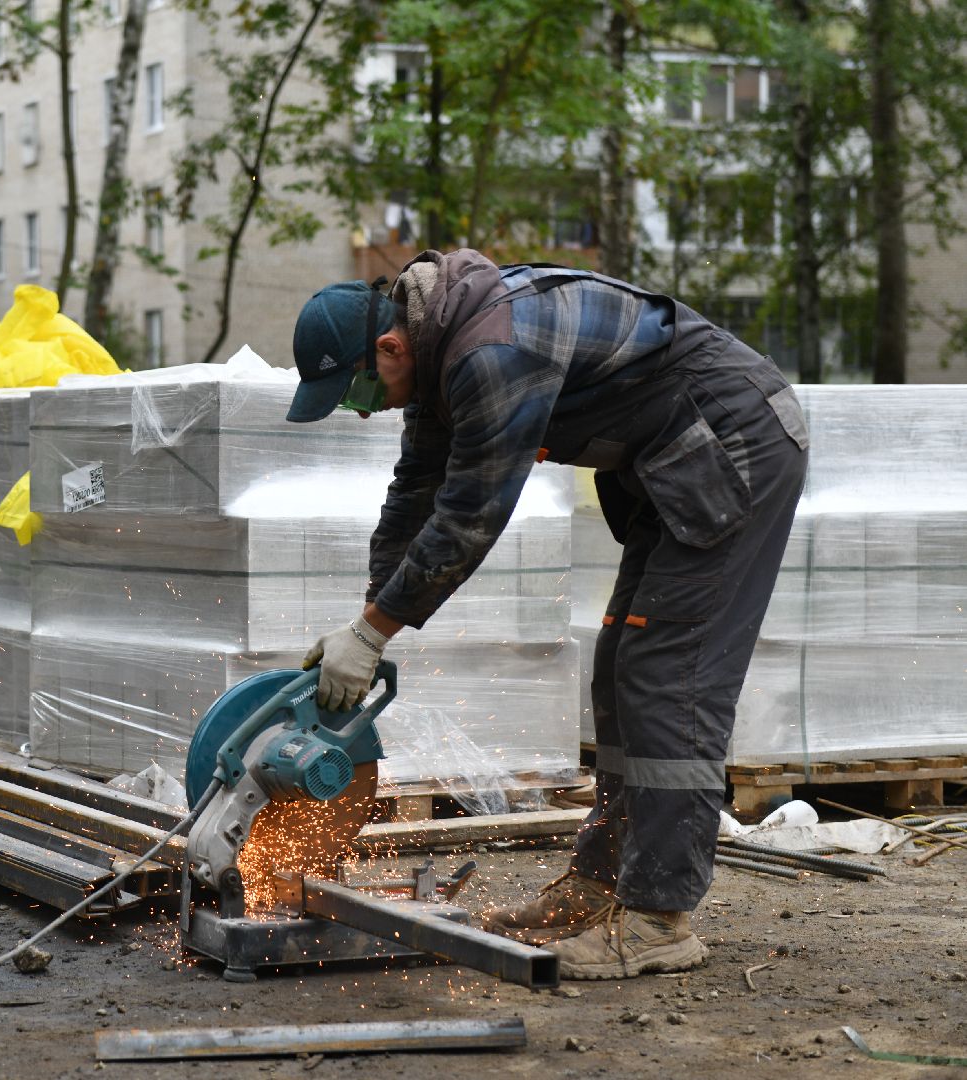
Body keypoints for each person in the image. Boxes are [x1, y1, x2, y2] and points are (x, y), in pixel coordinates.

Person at [290, 248, 808, 980]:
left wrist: (375, 631)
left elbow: (471, 514)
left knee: (667, 676)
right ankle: (600, 890)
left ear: (389, 347)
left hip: (735, 443)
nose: (366, 407)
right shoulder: (439, 356)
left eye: (358, 392)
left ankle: (660, 919)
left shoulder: (488, 354)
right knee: (620, 669)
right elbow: (415, 494)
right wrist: (367, 625)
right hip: (676, 460)